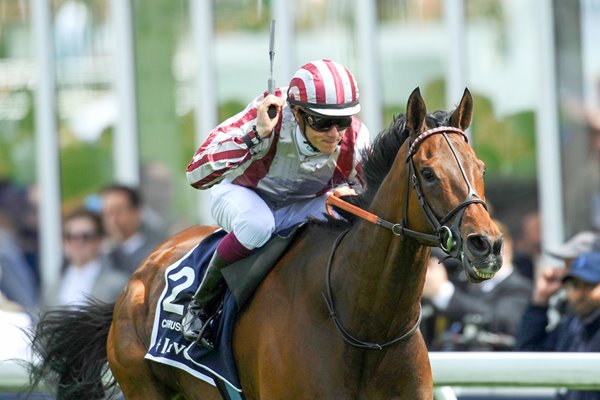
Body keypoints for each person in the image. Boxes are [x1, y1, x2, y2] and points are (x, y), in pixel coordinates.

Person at [182, 59, 370, 342]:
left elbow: (375, 200)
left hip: (302, 206)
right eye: (322, 122)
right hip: (241, 195)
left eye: (342, 121)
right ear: (298, 112)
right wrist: (253, 136)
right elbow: (195, 174)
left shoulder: (357, 139)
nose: (335, 134)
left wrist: (357, 197)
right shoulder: (267, 114)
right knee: (257, 225)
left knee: (348, 213)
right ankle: (200, 305)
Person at [422, 220, 531, 351]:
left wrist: (443, 293)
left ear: (504, 250)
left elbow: (501, 321)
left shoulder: (520, 288)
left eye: (480, 246)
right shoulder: (464, 284)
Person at [517, 251, 600, 400]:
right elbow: (529, 357)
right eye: (575, 284)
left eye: (590, 285)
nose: (580, 293)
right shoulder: (572, 325)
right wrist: (540, 300)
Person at [44, 208, 129, 308]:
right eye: (71, 236)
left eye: (86, 236)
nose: (79, 243)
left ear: (99, 240)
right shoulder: (54, 286)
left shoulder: (117, 284)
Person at [100, 184, 165, 274]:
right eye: (107, 213)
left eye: (118, 212)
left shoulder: (156, 254)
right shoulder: (100, 254)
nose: (113, 220)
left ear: (137, 213)